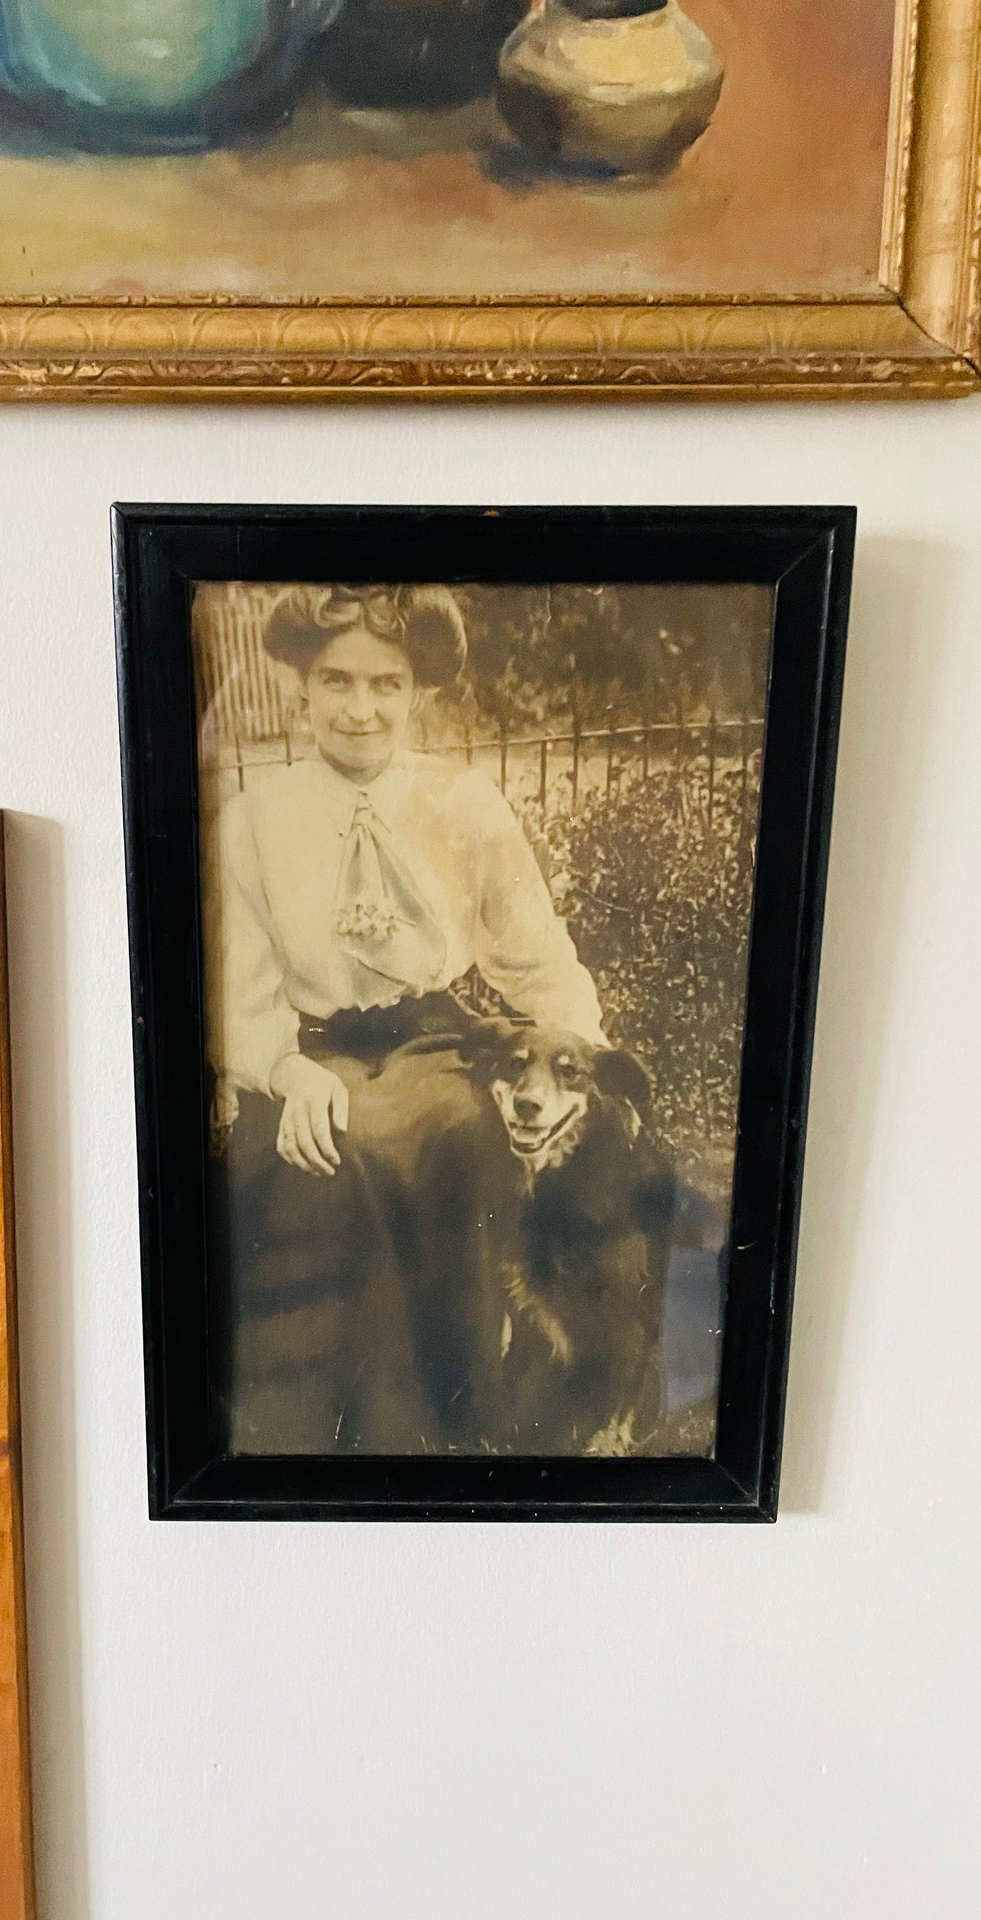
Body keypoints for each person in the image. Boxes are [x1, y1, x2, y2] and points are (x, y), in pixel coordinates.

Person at [204, 583, 607, 1453]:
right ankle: (351, 1431)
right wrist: (284, 1070)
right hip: (317, 1051)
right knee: (323, 1153)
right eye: (337, 682)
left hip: (434, 1038)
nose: (361, 709)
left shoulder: (464, 803)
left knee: (462, 1130)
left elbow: (531, 949)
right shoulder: (252, 821)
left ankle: (459, 1413)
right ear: (298, 689)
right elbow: (239, 992)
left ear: (417, 690)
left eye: (385, 684)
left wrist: (592, 1052)